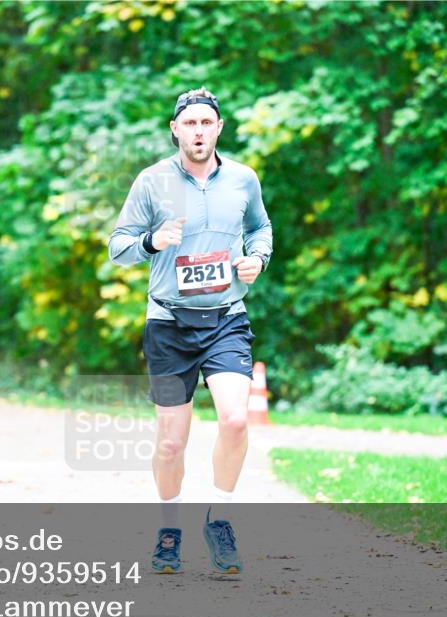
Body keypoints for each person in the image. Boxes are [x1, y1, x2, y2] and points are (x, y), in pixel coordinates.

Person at [108, 87, 273, 575]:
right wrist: (151, 241)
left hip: (225, 319)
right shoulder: (151, 181)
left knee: (236, 420)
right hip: (168, 324)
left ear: (219, 128)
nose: (199, 131)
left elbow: (261, 228)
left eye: (207, 122)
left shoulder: (243, 179)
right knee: (170, 443)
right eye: (190, 123)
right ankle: (168, 530)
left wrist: (256, 260)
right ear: (175, 129)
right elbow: (118, 247)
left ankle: (219, 519)